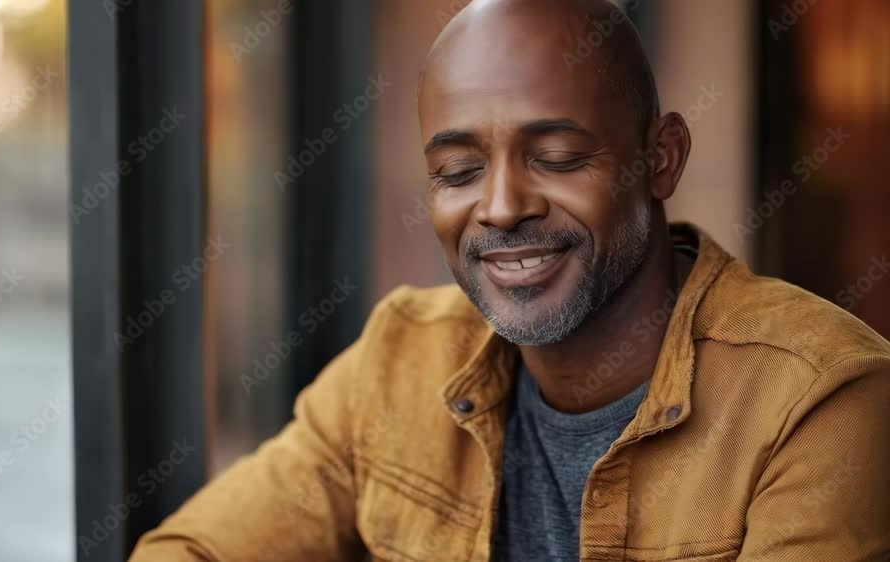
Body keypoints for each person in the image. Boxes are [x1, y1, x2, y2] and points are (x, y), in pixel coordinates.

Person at [129, 0, 890, 560]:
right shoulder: (398, 361)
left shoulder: (819, 399)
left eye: (556, 157)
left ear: (661, 159)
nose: (501, 208)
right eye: (458, 171)